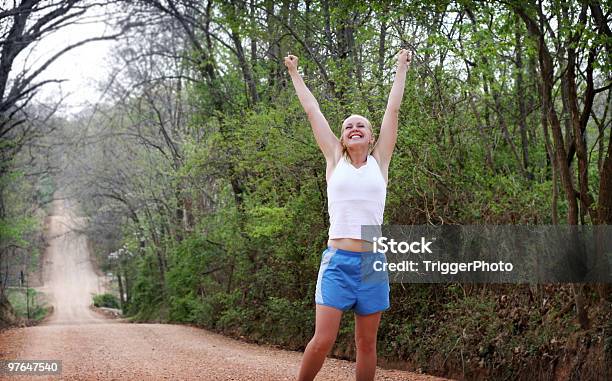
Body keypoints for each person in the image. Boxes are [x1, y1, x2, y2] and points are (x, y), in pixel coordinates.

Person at [284, 49, 411, 381]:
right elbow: (312, 111)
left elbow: (393, 109)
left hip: (372, 263)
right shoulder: (334, 160)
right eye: (349, 126)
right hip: (338, 262)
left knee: (366, 344)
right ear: (342, 137)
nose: (355, 128)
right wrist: (295, 72)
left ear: (371, 137)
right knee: (323, 340)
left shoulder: (380, 162)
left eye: (362, 126)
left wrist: (400, 67)